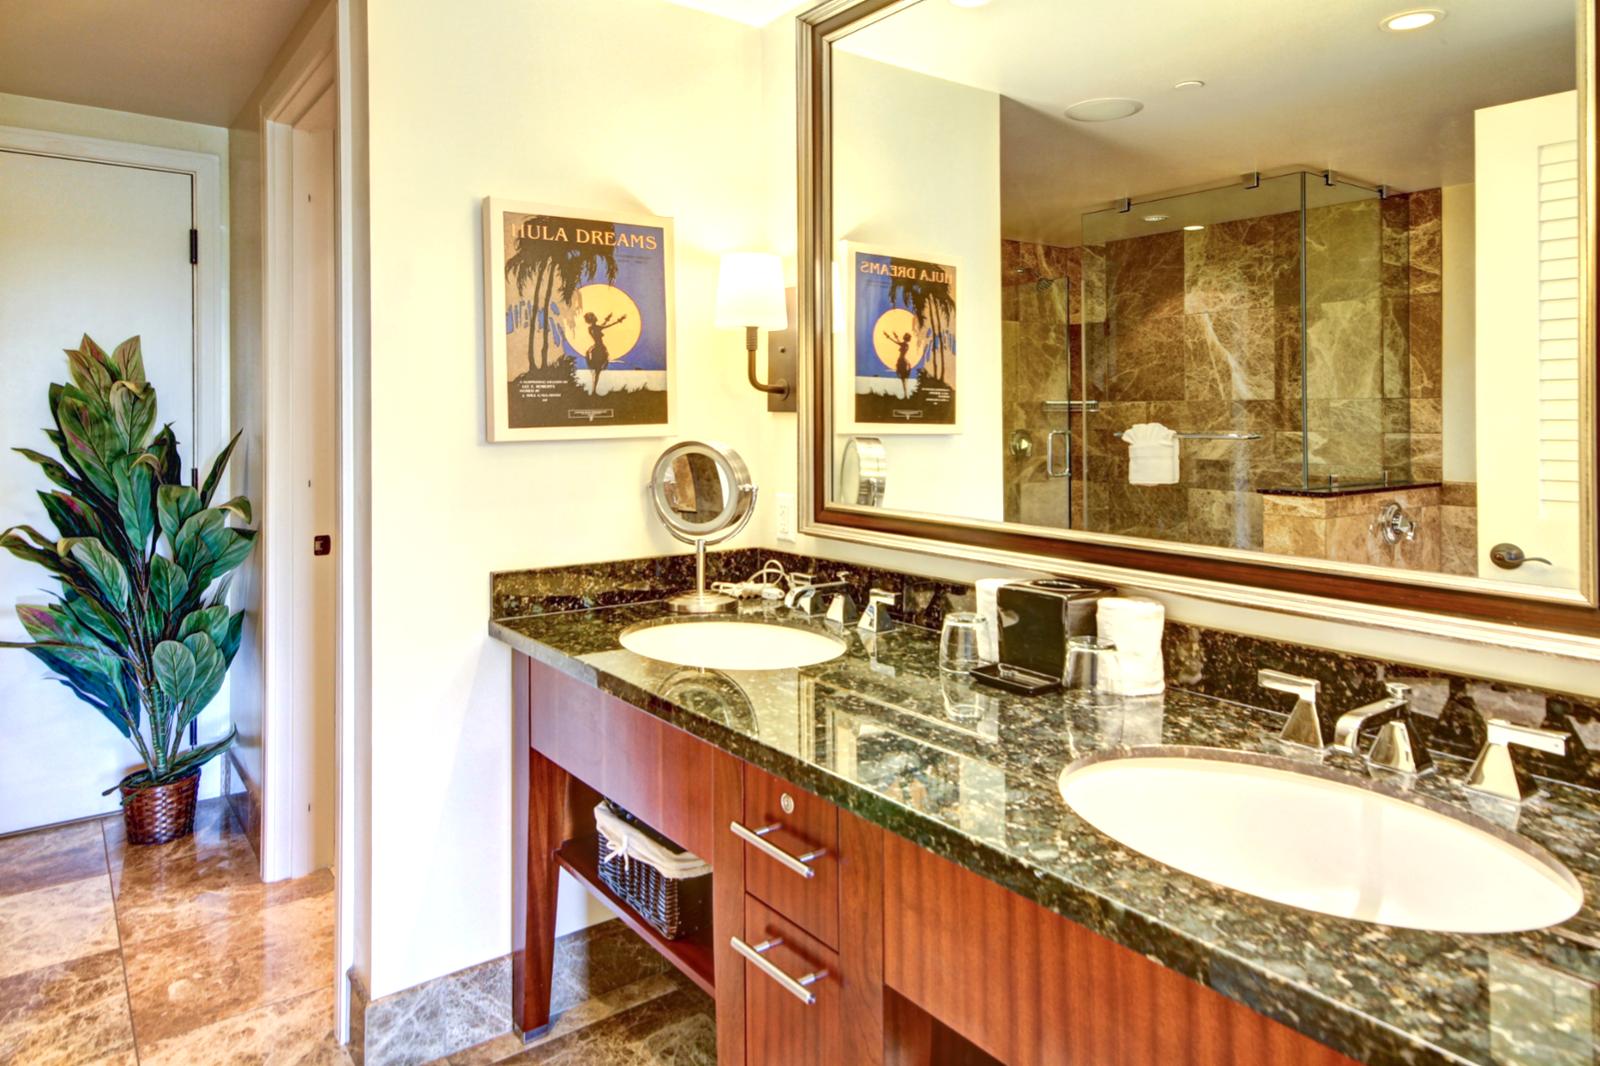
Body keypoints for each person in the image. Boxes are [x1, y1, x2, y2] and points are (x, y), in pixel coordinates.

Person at [583, 310, 627, 394]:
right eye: (594, 316)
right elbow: (607, 326)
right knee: (598, 370)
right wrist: (619, 320)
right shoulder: (597, 327)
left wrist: (607, 319)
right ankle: (594, 390)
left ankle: (593, 390)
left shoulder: (590, 328)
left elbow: (602, 325)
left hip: (595, 347)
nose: (596, 317)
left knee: (596, 371)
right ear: (593, 319)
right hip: (600, 347)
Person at [884, 329, 914, 397]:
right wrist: (895, 336)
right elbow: (899, 342)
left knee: (903, 379)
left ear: (905, 338)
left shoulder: (903, 344)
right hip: (904, 360)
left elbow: (896, 342)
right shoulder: (906, 345)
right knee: (904, 379)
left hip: (901, 360)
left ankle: (905, 394)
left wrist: (888, 336)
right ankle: (906, 394)